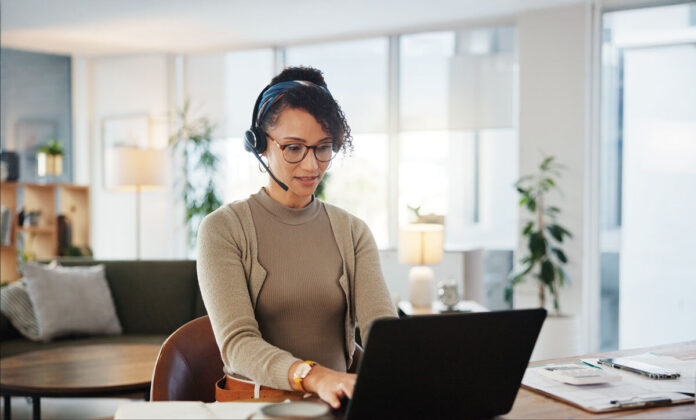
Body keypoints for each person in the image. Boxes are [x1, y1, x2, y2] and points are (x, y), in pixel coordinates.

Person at [196, 66, 397, 409]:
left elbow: (383, 330)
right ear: (259, 145)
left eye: (323, 148)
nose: (311, 165)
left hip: (334, 407)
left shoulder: (353, 231)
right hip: (255, 408)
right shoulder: (223, 229)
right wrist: (314, 376)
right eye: (293, 148)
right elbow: (238, 344)